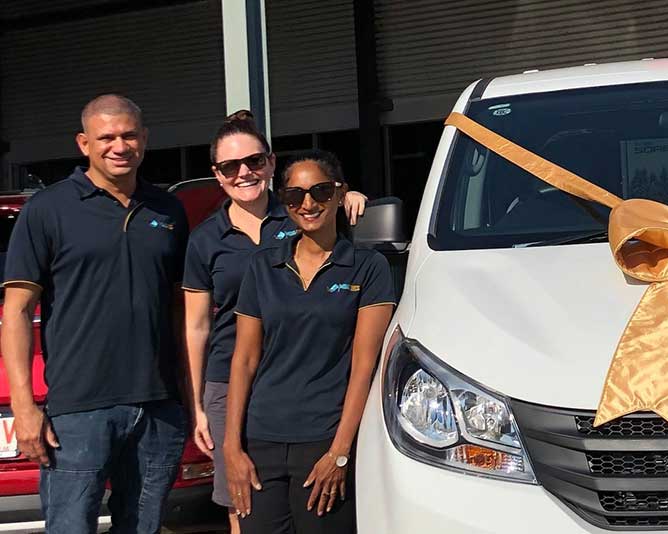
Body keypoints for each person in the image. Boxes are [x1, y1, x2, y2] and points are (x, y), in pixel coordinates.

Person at [1, 94, 189, 533]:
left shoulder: (168, 211)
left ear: (144, 140)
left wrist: (188, 400)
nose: (118, 146)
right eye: (106, 137)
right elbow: (17, 312)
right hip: (79, 411)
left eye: (128, 135)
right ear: (84, 143)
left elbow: (184, 312)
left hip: (157, 407)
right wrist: (25, 407)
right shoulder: (48, 210)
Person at [181, 111, 368, 533]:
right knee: (243, 505)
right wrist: (196, 404)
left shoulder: (301, 213)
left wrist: (349, 194)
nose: (244, 172)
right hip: (231, 379)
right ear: (217, 174)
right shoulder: (205, 239)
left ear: (270, 162)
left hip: (302, 381)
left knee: (312, 505)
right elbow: (196, 327)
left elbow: (329, 210)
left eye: (254, 161)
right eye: (230, 166)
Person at [223, 150, 394, 533]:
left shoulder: (368, 267)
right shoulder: (261, 265)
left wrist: (339, 453)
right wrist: (231, 448)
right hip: (261, 439)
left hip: (323, 440)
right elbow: (244, 360)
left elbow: (364, 368)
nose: (307, 203)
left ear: (339, 193)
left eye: (319, 191)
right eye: (294, 195)